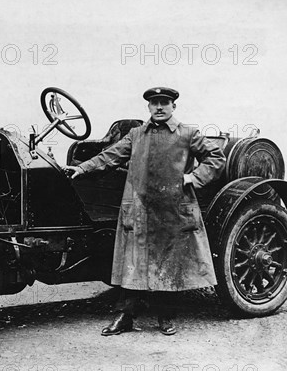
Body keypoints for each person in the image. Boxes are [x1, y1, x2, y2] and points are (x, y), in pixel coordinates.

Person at [64, 87, 226, 336]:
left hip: (173, 211)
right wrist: (82, 168)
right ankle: (125, 317)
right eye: (154, 103)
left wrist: (194, 177)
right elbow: (110, 156)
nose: (159, 107)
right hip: (140, 210)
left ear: (174, 106)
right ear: (148, 107)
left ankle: (166, 315)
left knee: (169, 265)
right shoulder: (136, 135)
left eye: (164, 102)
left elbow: (216, 156)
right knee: (133, 264)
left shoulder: (188, 133)